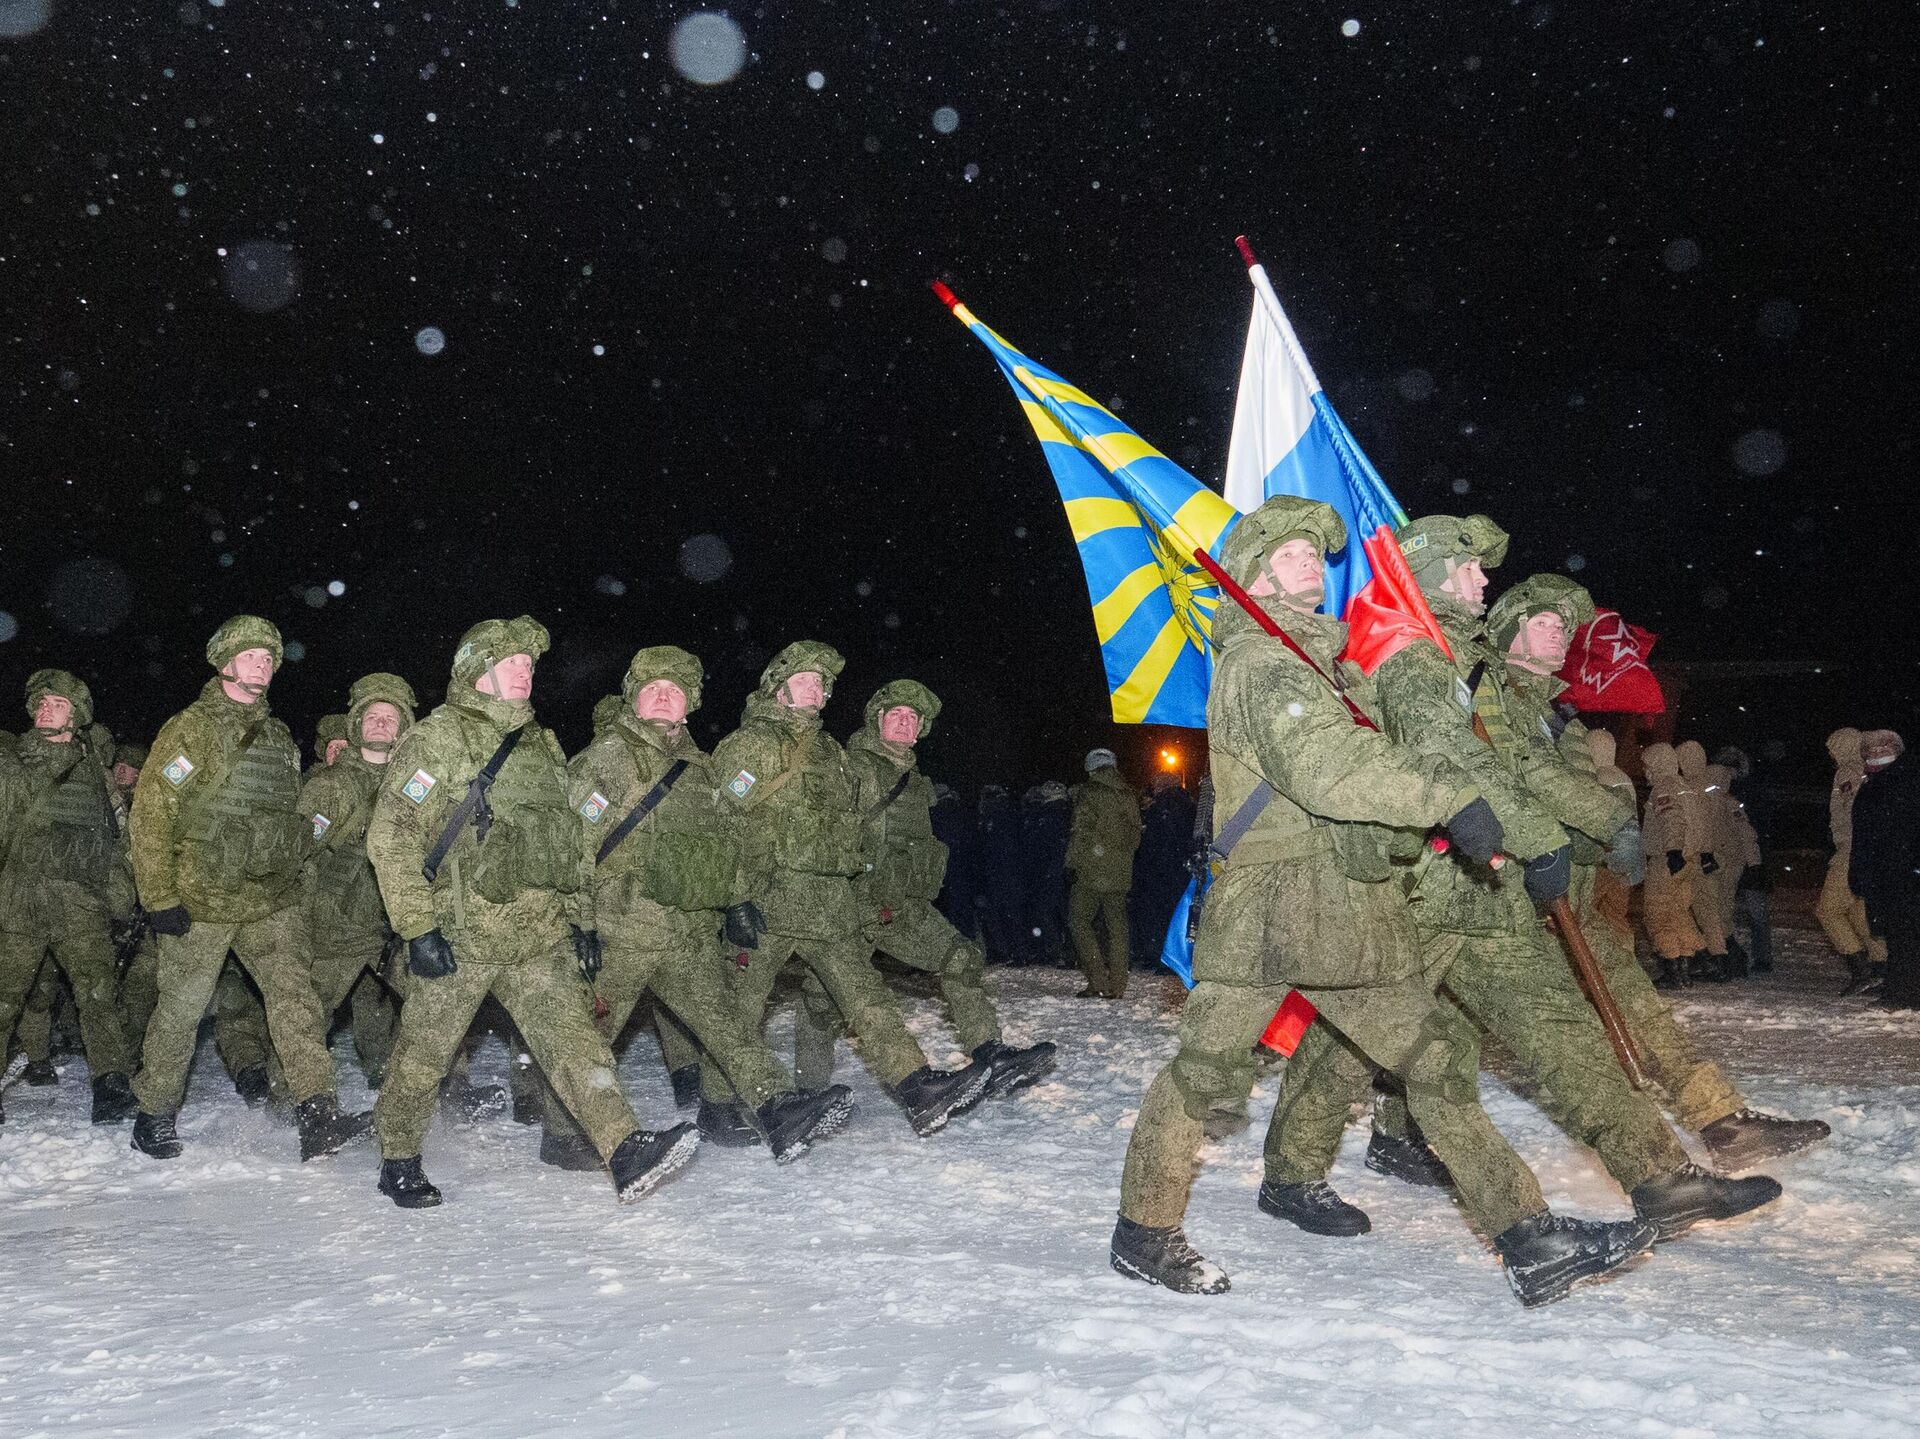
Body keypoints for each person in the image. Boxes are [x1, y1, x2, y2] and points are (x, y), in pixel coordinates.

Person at [1112, 496, 1658, 1307]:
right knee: (1204, 1071)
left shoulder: (1319, 667)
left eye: (1314, 551)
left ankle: (1528, 1236)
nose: (1311, 561)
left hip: (1343, 905)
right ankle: (1144, 1230)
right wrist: (1449, 796)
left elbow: (1364, 773)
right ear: (1254, 575)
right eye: (1290, 553)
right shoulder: (1261, 665)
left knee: (1434, 1060)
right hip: (1270, 908)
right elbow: (1333, 768)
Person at [1261, 519, 1779, 1246]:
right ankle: (1290, 1174)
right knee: (1349, 1040)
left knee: (1560, 1028)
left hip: (1476, 887)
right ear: (1433, 572)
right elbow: (1451, 761)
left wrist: (1558, 834)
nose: (1483, 581)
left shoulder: (1458, 661)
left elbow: (1506, 766)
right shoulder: (1411, 657)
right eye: (1469, 568)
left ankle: (1661, 1177)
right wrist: (1539, 840)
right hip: (1412, 888)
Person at [1492, 577, 1825, 1171]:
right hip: (1501, 901)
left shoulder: (1557, 716)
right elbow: (1526, 784)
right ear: (1505, 633)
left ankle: (1720, 1122)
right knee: (1429, 1033)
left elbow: (1569, 791)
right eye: (1543, 623)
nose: (1560, 635)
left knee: (1634, 1004)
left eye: (1563, 626)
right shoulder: (1491, 702)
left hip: (1563, 894)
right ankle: (1391, 1128)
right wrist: (1611, 822)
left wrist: (1605, 837)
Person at [362, 617, 696, 1207]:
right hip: (460, 933)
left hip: (537, 932)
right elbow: (391, 837)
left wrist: (579, 917)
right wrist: (417, 928)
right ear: (477, 670)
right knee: (425, 1053)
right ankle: (399, 1157)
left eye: (528, 664)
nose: (525, 672)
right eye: (511, 662)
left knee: (575, 1043)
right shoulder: (438, 739)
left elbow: (567, 843)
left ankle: (623, 1148)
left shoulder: (541, 745)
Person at [540, 644, 854, 1169]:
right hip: (621, 930)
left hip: (685, 932)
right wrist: (579, 922)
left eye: (676, 690)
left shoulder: (700, 767)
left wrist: (737, 900)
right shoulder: (605, 759)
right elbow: (572, 847)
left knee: (728, 1023)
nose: (665, 697)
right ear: (634, 699)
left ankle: (776, 1108)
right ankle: (563, 1135)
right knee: (591, 1037)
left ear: (690, 703)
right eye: (653, 689)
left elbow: (724, 841)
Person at [701, 642, 992, 1140]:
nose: (815, 690)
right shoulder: (750, 746)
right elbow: (720, 823)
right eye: (804, 680)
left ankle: (915, 1085)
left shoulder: (831, 752)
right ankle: (718, 1107)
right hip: (766, 903)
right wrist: (733, 900)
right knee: (741, 1009)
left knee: (866, 998)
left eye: (821, 683)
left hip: (828, 905)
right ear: (778, 688)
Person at [126, 617, 373, 1162]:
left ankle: (317, 1114)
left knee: (297, 1000)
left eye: (268, 658)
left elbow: (288, 820)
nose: (262, 665)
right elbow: (151, 815)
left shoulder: (279, 736)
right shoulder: (191, 728)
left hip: (269, 898)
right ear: (225, 663)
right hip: (202, 898)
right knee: (182, 1008)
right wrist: (159, 897)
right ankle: (154, 1113)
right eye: (251, 655)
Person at [792, 679, 1055, 1100]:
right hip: (851, 908)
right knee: (822, 999)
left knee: (961, 958)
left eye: (912, 717)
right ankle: (809, 1093)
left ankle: (990, 1053)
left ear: (919, 731)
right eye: (895, 714)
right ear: (876, 720)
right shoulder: (851, 768)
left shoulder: (915, 781)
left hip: (900, 907)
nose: (904, 722)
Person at [0, 670, 138, 1126]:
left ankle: (111, 1086)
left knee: (99, 997)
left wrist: (119, 894)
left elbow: (118, 837)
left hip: (80, 903)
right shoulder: (11, 762)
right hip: (19, 901)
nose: (46, 709)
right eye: (41, 702)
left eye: (57, 704)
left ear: (75, 716)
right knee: (4, 999)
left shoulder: (95, 773)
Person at [297, 673, 419, 1089]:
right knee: (308, 1016)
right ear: (356, 725)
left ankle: (438, 1092)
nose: (381, 724)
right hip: (337, 926)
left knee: (436, 1008)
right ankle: (301, 1100)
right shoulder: (330, 785)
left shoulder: (415, 787)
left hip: (399, 924)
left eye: (391, 718)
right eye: (372, 717)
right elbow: (300, 856)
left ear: (403, 728)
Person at [1067, 750, 1141, 998]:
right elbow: (1135, 835)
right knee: (1117, 927)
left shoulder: (1089, 791)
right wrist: (1120, 857)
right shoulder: (1128, 794)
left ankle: (1097, 980)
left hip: (1092, 870)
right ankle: (1118, 984)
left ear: (1090, 768)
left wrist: (1073, 863)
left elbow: (1082, 832)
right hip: (1120, 870)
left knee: (1079, 921)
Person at [1852, 730, 1917, 1010]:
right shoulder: (1877, 783)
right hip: (1887, 869)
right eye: (1870, 750)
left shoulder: (1899, 782)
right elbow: (1865, 833)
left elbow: (1889, 831)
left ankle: (1903, 993)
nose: (1873, 754)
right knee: (1898, 934)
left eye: (1880, 749)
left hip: (1899, 870)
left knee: (1904, 935)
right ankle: (1900, 990)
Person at [1818, 728, 1882, 994]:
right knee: (1859, 911)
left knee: (1828, 910)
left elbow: (1853, 808)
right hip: (1870, 850)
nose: (1831, 756)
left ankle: (1860, 969)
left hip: (1852, 850)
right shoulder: (1870, 769)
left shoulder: (1848, 772)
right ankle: (1881, 967)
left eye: (1832, 750)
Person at [1640, 741, 1708, 988]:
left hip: (1667, 859)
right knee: (1678, 911)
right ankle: (1687, 963)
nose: (1645, 771)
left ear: (1657, 765)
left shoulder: (1664, 787)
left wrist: (1673, 850)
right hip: (1691, 858)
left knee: (1658, 913)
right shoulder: (1684, 786)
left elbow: (1671, 820)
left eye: (1647, 766)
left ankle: (1671, 965)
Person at [1714, 745, 1774, 974]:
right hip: (1738, 857)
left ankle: (1757, 957)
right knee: (1727, 909)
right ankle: (1743, 957)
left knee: (1754, 911)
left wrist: (1755, 862)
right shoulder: (1722, 792)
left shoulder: (1744, 792)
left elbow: (1749, 830)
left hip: (1748, 858)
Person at [1131, 774, 1196, 969]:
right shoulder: (1190, 806)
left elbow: (1152, 842)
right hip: (1181, 869)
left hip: (1158, 870)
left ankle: (1159, 957)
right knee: (1177, 915)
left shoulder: (1159, 808)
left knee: (1157, 915)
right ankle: (1176, 958)